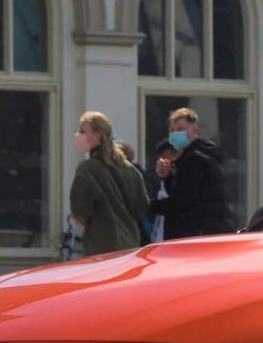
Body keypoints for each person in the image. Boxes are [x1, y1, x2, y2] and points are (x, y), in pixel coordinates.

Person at [68, 111, 149, 258]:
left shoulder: (88, 168)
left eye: (82, 131)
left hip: (101, 246)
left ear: (97, 136)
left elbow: (80, 209)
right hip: (130, 244)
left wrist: (81, 219)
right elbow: (141, 206)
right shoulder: (130, 169)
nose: (78, 135)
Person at [158, 106, 236, 237]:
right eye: (172, 130)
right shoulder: (203, 155)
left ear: (195, 130)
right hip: (211, 229)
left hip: (201, 232)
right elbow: (184, 193)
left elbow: (180, 202)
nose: (175, 134)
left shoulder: (195, 159)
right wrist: (168, 177)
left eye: (181, 130)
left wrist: (146, 206)